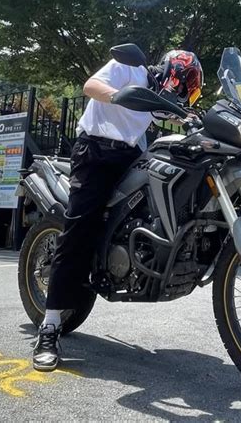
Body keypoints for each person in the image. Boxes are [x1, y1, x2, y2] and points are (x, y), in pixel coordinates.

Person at [32, 49, 203, 371]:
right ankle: (50, 327)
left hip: (129, 156)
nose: (182, 91)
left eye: (188, 90)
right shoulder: (129, 68)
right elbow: (91, 86)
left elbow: (168, 115)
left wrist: (190, 118)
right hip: (95, 152)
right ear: (174, 71)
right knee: (80, 228)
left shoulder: (156, 100)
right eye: (184, 84)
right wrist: (120, 96)